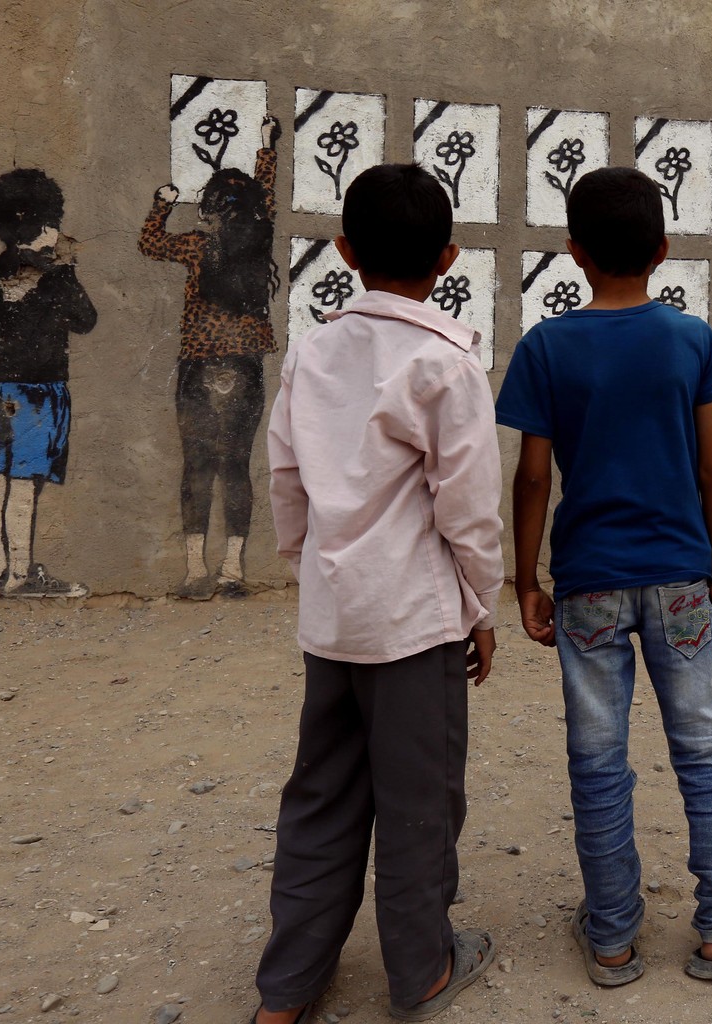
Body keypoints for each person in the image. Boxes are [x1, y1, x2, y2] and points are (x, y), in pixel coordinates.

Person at [496, 166, 712, 985]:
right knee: (701, 743)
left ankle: (614, 936)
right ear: (663, 250)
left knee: (596, 754)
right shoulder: (690, 341)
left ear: (574, 253)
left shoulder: (546, 347)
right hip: (681, 576)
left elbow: (532, 479)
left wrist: (525, 582)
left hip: (587, 580)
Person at [251, 163, 503, 1024]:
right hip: (413, 623)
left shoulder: (313, 352)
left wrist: (312, 572)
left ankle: (286, 989)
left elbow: (286, 478)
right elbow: (469, 511)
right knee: (418, 800)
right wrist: (481, 608)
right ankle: (422, 967)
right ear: (451, 256)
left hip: (333, 618)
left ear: (345, 251)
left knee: (320, 795)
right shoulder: (445, 364)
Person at [140, 114, 281, 600]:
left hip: (199, 364)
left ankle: (194, 571)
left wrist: (161, 204)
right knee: (237, 464)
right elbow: (266, 194)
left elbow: (149, 244)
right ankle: (233, 570)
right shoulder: (259, 240)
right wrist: (267, 146)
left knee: (197, 463)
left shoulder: (199, 247)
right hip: (245, 365)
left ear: (212, 208)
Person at [0, 168, 96, 598]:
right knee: (23, 482)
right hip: (38, 392)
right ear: (43, 223)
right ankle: (20, 576)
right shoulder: (52, 275)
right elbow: (85, 320)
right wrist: (63, 268)